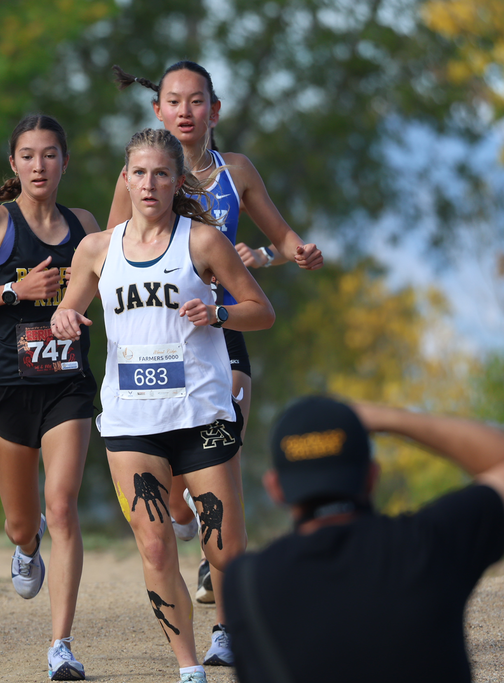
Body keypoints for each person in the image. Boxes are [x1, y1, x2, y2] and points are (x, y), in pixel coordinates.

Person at [108, 60, 323, 664]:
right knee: (175, 498)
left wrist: (287, 255)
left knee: (221, 461)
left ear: (214, 111)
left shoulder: (237, 172)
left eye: (196, 101)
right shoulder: (138, 176)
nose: (184, 111)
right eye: (173, 100)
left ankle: (225, 618)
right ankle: (188, 524)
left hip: (223, 333)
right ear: (158, 110)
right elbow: (112, 256)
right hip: (158, 343)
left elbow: (281, 241)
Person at [52, 128, 275, 683]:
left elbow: (260, 310)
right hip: (131, 420)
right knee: (154, 549)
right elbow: (68, 312)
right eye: (139, 173)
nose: (148, 184)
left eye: (160, 174)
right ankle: (189, 668)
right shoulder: (97, 249)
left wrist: (218, 315)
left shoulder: (202, 242)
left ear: (178, 182)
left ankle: (242, 628)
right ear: (124, 179)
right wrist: (62, 319)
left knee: (225, 549)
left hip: (201, 415)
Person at [222, 395, 504, 683]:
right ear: (372, 476)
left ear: (275, 488)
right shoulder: (428, 545)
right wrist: (387, 418)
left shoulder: (246, 583)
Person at [0, 114, 101, 681]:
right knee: (22, 522)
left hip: (67, 385)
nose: (39, 165)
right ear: (14, 163)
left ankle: (61, 646)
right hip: (6, 386)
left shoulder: (85, 226)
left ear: (65, 162)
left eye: (50, 155)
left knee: (62, 505)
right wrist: (14, 290)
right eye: (28, 156)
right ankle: (25, 547)